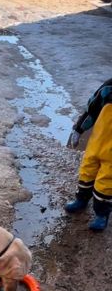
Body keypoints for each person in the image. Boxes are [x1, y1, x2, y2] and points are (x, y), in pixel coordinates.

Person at [65, 78, 112, 231]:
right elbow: (92, 108)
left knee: (107, 181)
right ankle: (81, 199)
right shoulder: (109, 87)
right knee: (87, 171)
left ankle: (101, 213)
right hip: (97, 142)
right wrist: (78, 129)